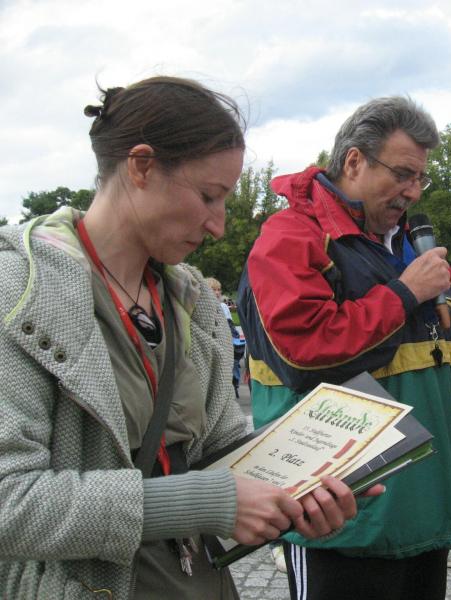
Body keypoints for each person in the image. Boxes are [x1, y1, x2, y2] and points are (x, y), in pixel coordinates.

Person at [0, 77, 366, 600]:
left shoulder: (192, 304)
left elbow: (219, 454)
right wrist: (205, 502)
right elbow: (9, 501)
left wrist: (301, 489)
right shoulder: (18, 292)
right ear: (141, 166)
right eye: (209, 196)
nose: (218, 226)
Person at [238, 96, 451, 600]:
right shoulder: (291, 235)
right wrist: (405, 293)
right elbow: (304, 353)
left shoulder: (407, 245)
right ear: (353, 161)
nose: (413, 192)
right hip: (343, 526)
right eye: (403, 174)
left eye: (421, 179)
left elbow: (444, 350)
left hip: (424, 515)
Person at [205, 276, 245, 396]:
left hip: (225, 341)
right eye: (214, 289)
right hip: (210, 343)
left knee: (231, 365)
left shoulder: (222, 306)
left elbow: (229, 325)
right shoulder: (202, 307)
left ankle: (233, 384)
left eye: (219, 290)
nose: (217, 292)